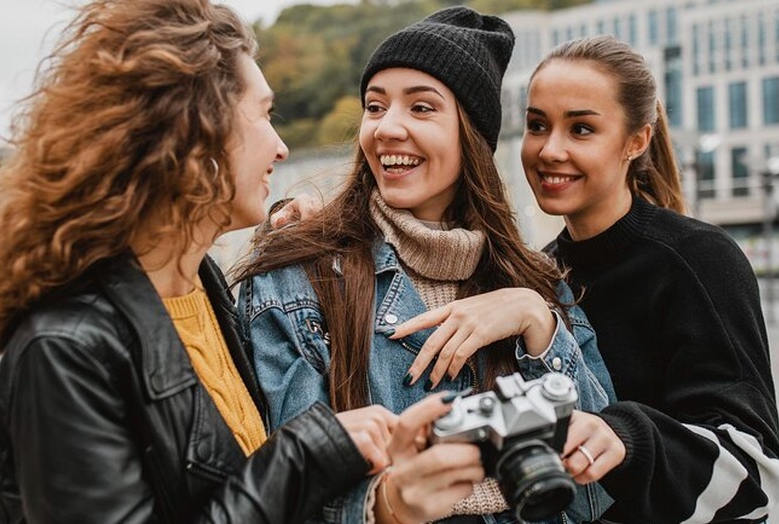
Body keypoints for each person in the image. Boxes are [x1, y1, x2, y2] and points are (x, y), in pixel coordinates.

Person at [0, 0, 486, 522]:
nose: (280, 148)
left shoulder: (203, 288)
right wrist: (304, 454)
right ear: (192, 136)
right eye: (264, 115)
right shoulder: (65, 351)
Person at [235, 7, 616, 524]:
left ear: (472, 137)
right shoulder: (297, 278)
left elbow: (600, 488)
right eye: (374, 107)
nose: (387, 128)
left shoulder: (538, 285)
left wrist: (540, 325)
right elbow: (286, 493)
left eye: (421, 108)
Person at [517, 35, 779, 523]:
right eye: (537, 125)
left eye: (581, 129)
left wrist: (625, 438)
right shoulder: (537, 277)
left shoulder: (699, 259)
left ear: (635, 141)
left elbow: (757, 477)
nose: (549, 149)